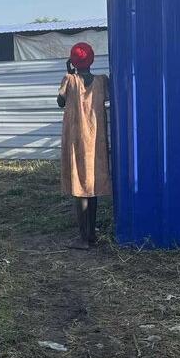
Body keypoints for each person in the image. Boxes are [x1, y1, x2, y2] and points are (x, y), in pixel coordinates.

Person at [57, 42, 110, 247]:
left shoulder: (69, 80)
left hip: (76, 140)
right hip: (96, 140)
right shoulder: (101, 81)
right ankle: (92, 235)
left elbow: (60, 102)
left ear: (73, 61)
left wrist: (69, 72)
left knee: (79, 189)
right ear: (92, 59)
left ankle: (83, 238)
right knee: (92, 187)